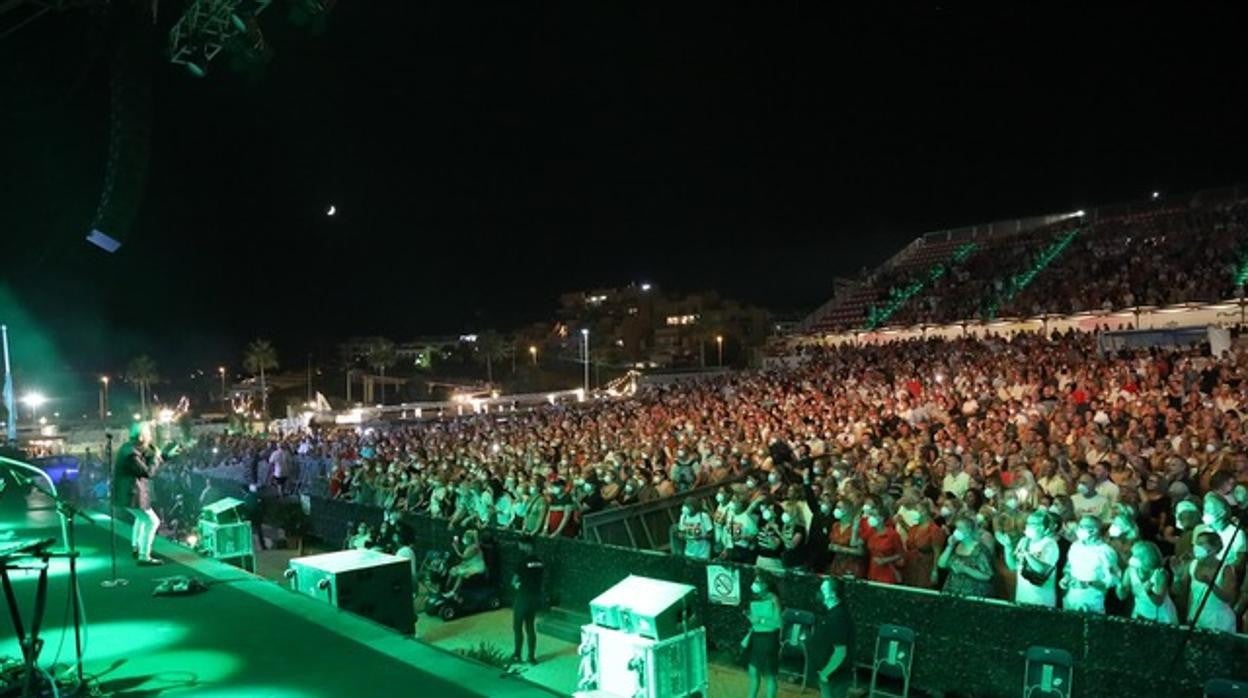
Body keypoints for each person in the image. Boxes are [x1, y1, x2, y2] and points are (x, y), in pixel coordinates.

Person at [112, 422, 162, 566]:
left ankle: (137, 547)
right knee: (152, 521)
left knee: (141, 519)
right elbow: (147, 472)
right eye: (148, 434)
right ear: (141, 437)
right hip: (132, 494)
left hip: (129, 493)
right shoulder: (131, 454)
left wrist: (162, 456)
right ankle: (144, 556)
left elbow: (145, 463)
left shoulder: (128, 448)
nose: (150, 437)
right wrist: (156, 457)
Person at [1060, 516, 1120, 613]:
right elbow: (1069, 567)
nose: (1078, 528)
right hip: (1071, 599)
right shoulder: (1075, 546)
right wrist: (1066, 578)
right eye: (1080, 525)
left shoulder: (1106, 551)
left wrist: (1088, 584)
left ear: (1094, 531)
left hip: (1092, 601)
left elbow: (1114, 579)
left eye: (1083, 526)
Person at [806, 577, 854, 698]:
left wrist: (825, 673)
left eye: (823, 590)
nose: (819, 592)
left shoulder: (838, 617)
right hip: (828, 673)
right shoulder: (832, 612)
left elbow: (840, 652)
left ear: (833, 594)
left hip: (834, 676)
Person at [1001, 511, 1060, 607]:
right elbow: (1013, 566)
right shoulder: (1024, 541)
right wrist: (1008, 548)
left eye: (1033, 523)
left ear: (1043, 527)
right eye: (1028, 523)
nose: (1028, 526)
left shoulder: (1050, 544)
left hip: (1041, 600)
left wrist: (1026, 553)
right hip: (1022, 596)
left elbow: (1041, 569)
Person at [1186, 530, 1238, 633]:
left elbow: (1229, 598)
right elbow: (1191, 593)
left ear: (1214, 548)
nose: (1196, 547)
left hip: (1219, 620)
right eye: (1196, 543)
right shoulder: (1193, 564)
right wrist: (1189, 614)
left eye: (1201, 543)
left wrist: (1210, 583)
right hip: (1196, 617)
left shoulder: (1225, 569)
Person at [1117, 541, 1178, 624]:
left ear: (1145, 558)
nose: (1131, 558)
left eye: (1135, 556)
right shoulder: (1130, 571)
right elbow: (1121, 596)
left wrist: (1149, 592)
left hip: (1162, 617)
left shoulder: (1160, 573)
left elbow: (1159, 602)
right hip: (1140, 615)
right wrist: (1120, 588)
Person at [741, 574, 781, 698]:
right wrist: (750, 618)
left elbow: (778, 623)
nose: (754, 584)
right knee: (753, 672)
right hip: (756, 638)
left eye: (758, 581)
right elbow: (755, 620)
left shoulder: (774, 599)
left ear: (766, 584)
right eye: (755, 580)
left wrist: (760, 620)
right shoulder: (754, 598)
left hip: (769, 640)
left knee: (769, 675)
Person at [938, 514, 994, 598]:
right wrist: (949, 546)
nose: (956, 531)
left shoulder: (980, 550)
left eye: (959, 528)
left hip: (972, 593)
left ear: (969, 530)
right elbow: (941, 564)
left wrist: (965, 569)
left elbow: (987, 575)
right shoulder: (955, 546)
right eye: (956, 528)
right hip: (952, 591)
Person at [511, 537, 544, 664]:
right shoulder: (540, 562)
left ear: (527, 545)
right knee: (530, 627)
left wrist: (516, 585)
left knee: (517, 626)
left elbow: (514, 581)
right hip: (535, 597)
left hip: (523, 597)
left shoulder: (522, 562)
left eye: (521, 545)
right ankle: (531, 657)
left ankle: (517, 655)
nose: (519, 547)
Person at [445, 528, 486, 599]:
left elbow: (463, 557)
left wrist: (455, 548)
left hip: (477, 567)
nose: (464, 539)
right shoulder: (468, 546)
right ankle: (447, 588)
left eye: (465, 537)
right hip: (469, 565)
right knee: (452, 570)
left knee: (461, 574)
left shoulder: (473, 547)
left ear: (469, 539)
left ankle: (453, 592)